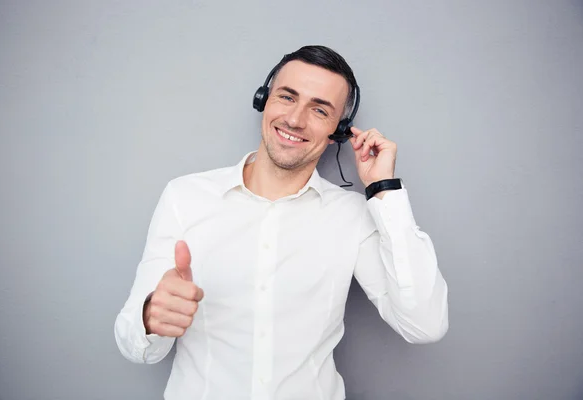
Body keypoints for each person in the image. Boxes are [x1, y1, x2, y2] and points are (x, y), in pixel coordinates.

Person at [114, 45, 449, 400]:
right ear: (264, 99)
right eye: (287, 97)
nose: (294, 120)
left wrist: (383, 189)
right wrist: (151, 317)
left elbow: (424, 325)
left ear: (340, 130)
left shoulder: (352, 216)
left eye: (319, 109)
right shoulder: (185, 197)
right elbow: (135, 345)